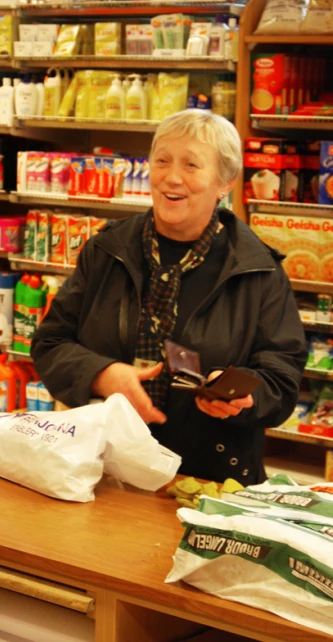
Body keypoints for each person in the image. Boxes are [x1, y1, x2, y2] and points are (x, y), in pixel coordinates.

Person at [32, 109, 307, 486]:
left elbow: (282, 378)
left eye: (192, 165)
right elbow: (50, 343)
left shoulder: (258, 271)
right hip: (101, 471)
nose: (171, 177)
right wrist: (101, 374)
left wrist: (243, 397)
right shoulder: (107, 251)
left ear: (224, 181)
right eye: (162, 160)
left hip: (207, 480)